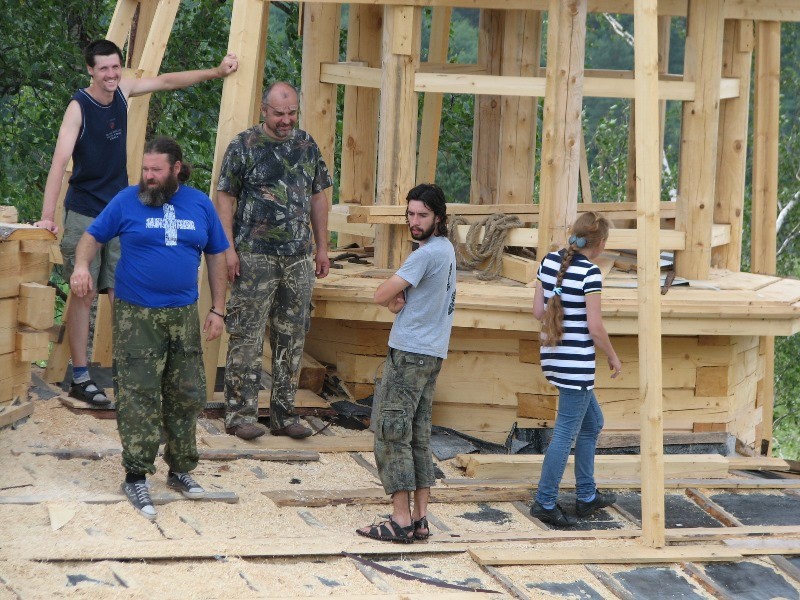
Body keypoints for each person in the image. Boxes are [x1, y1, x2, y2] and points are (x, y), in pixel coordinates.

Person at [35, 39, 238, 406]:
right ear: (91, 71)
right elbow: (59, 163)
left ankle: (132, 373)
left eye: (116, 67)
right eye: (104, 69)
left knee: (122, 292)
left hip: (122, 209)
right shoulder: (79, 108)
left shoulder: (124, 91)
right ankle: (81, 376)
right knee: (82, 293)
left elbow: (167, 81)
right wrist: (49, 216)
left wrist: (215, 71)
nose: (112, 75)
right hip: (84, 211)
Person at [70, 137, 229, 521]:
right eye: (145, 169)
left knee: (186, 392)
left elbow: (217, 255)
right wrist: (80, 268)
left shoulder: (199, 204)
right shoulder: (127, 200)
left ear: (176, 169)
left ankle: (180, 470)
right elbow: (92, 236)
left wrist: (218, 309)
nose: (149, 176)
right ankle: (136, 474)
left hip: (183, 313)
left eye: (156, 170)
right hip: (136, 315)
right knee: (138, 393)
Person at [216, 81, 332, 441]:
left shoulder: (306, 145)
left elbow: (318, 197)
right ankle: (240, 415)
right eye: (279, 113)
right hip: (254, 254)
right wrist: (229, 248)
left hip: (298, 258)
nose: (286, 120)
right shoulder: (244, 145)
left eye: (291, 112)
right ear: (264, 109)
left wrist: (323, 247)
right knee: (247, 336)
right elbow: (224, 198)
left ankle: (284, 414)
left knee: (292, 336)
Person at [357, 184, 456, 543]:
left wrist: (394, 298)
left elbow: (380, 293)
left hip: (411, 351)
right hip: (431, 352)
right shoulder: (446, 250)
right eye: (411, 214)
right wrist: (403, 299)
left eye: (422, 216)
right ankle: (420, 519)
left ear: (439, 218)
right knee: (418, 434)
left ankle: (399, 520)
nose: (414, 222)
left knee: (390, 433)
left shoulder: (425, 255)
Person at [529, 212, 622, 527]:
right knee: (565, 432)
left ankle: (586, 496)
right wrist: (612, 356)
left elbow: (538, 311)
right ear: (600, 245)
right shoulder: (591, 273)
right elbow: (595, 328)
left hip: (553, 356)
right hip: (577, 365)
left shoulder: (550, 261)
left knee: (592, 422)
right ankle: (544, 501)